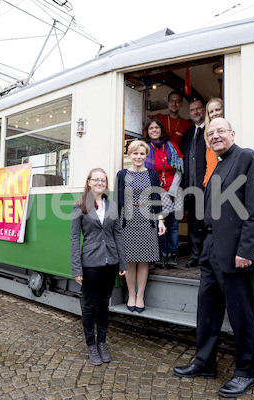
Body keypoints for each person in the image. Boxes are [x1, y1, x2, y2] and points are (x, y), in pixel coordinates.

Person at [173, 118, 254, 398]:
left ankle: (246, 371)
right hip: (211, 249)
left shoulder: (247, 157)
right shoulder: (220, 164)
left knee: (240, 314)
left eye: (220, 131)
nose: (215, 136)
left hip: (235, 251)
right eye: (210, 133)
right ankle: (204, 362)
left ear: (233, 134)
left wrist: (246, 250)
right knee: (206, 310)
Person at [70, 168, 127, 366]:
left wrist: (122, 261)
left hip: (110, 262)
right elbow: (75, 238)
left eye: (103, 180)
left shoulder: (111, 206)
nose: (99, 183)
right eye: (96, 180)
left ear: (106, 184)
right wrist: (76, 268)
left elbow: (118, 234)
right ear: (89, 182)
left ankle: (102, 342)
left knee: (104, 304)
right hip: (90, 264)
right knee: (90, 305)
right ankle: (91, 344)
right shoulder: (79, 206)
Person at [115, 140, 166, 313]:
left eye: (142, 153)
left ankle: (140, 296)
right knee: (129, 260)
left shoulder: (152, 174)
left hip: (147, 219)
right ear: (129, 155)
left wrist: (160, 220)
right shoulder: (122, 174)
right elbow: (117, 201)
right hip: (127, 220)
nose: (138, 156)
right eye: (135, 153)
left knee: (144, 260)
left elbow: (157, 201)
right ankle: (131, 294)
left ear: (146, 155)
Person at [142, 117, 184, 269]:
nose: (154, 130)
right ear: (148, 131)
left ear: (161, 130)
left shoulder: (171, 146)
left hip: (174, 190)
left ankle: (172, 255)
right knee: (158, 223)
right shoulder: (145, 148)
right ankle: (161, 254)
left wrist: (171, 191)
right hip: (154, 191)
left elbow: (180, 170)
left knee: (172, 223)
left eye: (156, 127)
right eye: (151, 128)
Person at [180, 98, 206, 268]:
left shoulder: (210, 131)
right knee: (194, 223)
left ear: (204, 110)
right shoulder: (188, 134)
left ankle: (207, 256)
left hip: (207, 186)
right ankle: (195, 255)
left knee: (208, 222)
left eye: (198, 109)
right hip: (190, 187)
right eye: (192, 110)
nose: (195, 112)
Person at [202, 98, 223, 187]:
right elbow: (210, 164)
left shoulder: (229, 132)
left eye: (218, 110)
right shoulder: (208, 135)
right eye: (211, 111)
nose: (215, 114)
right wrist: (206, 182)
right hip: (212, 186)